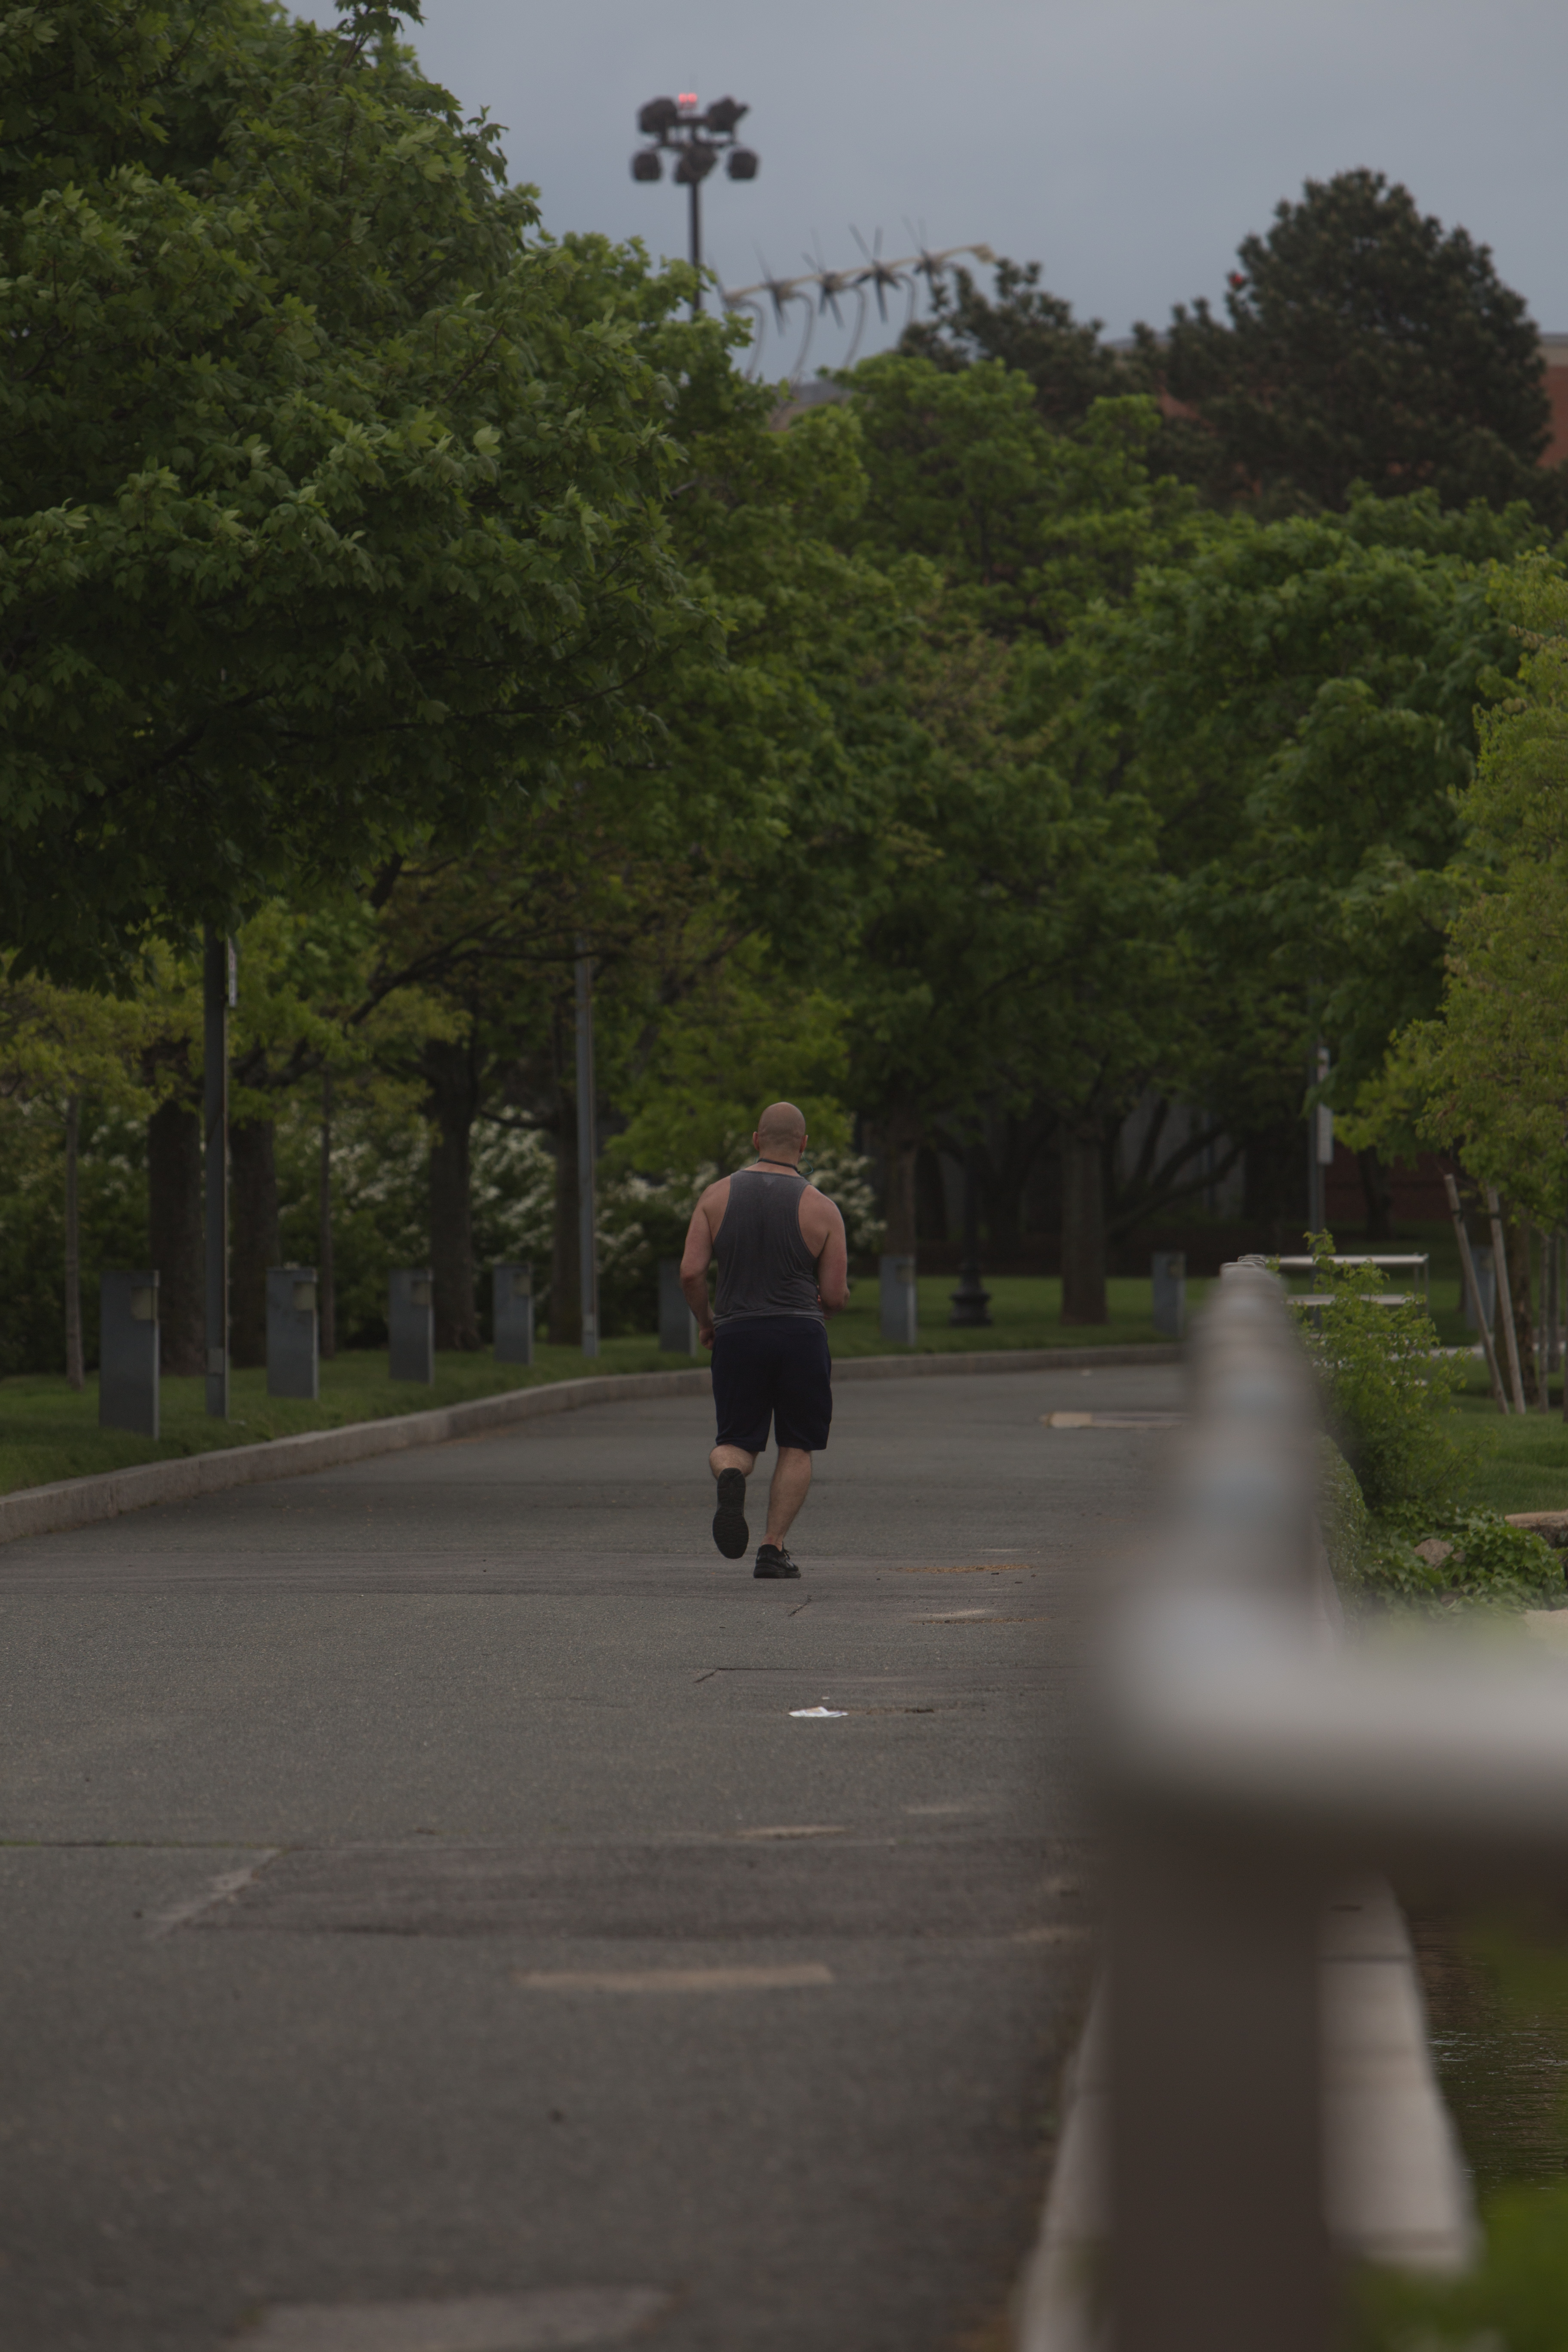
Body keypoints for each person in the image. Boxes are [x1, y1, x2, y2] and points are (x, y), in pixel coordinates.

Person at [678, 1102, 849, 1578]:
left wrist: (707, 1320)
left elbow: (691, 1272)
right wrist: (828, 1304)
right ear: (804, 1145)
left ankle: (731, 1473)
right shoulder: (823, 1208)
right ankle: (772, 1550)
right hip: (800, 1337)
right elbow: (835, 1295)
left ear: (756, 1140)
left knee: (735, 1441)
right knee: (797, 1444)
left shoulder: (715, 1196)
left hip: (738, 1333)